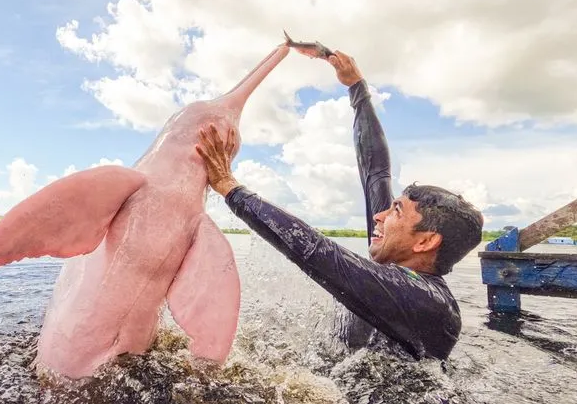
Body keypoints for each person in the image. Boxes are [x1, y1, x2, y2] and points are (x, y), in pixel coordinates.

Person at [194, 50, 484, 361]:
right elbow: (376, 172)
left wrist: (230, 188)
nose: (379, 215)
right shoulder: (389, 269)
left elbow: (318, 252)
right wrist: (357, 89)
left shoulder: (429, 302)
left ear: (426, 241)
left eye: (396, 211)